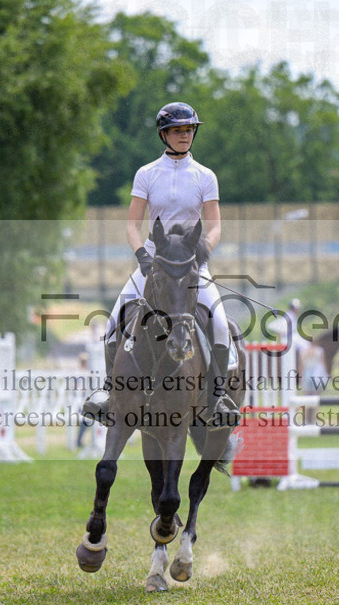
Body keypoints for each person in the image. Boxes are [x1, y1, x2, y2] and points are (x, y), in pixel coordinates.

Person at [82, 101, 239, 429]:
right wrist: (142, 254)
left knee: (221, 324)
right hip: (154, 263)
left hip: (192, 264)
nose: (185, 136)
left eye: (189, 130)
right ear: (164, 134)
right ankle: (109, 392)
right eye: (179, 130)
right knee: (113, 322)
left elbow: (215, 226)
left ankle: (219, 395)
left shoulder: (205, 176)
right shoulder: (147, 174)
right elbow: (131, 225)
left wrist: (203, 251)